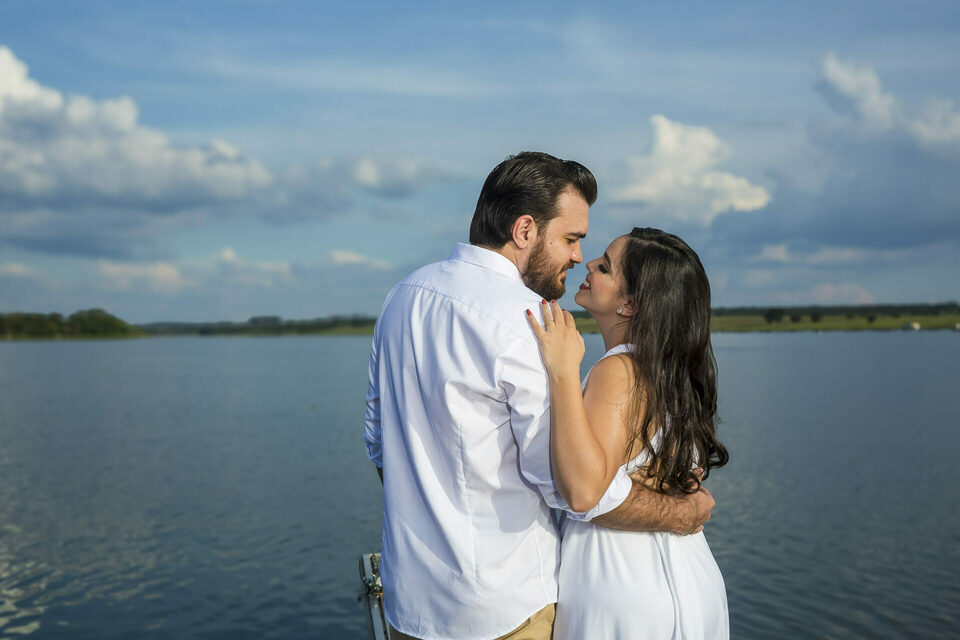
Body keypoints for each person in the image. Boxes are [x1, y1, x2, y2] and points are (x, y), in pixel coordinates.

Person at [363, 153, 716, 640]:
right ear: (525, 230)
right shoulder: (531, 320)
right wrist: (679, 512)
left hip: (411, 604)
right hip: (504, 610)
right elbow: (572, 489)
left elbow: (378, 442)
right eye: (571, 239)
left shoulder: (401, 297)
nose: (577, 258)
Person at [525, 227, 730, 639]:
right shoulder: (674, 376)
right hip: (692, 575)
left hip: (623, 581)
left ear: (631, 303)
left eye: (605, 266)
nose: (588, 265)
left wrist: (564, 371)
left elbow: (584, 492)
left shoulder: (617, 371)